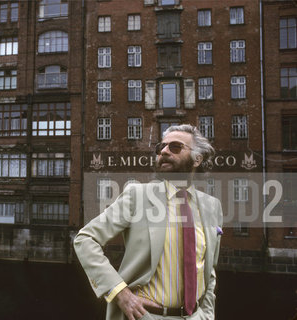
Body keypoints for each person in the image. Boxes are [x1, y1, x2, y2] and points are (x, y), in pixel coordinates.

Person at [74, 124, 223, 320]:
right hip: (146, 316)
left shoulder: (212, 207)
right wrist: (120, 293)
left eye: (175, 147)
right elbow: (85, 239)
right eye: (161, 147)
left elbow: (208, 268)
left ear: (197, 159)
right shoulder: (138, 195)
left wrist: (207, 314)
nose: (164, 151)